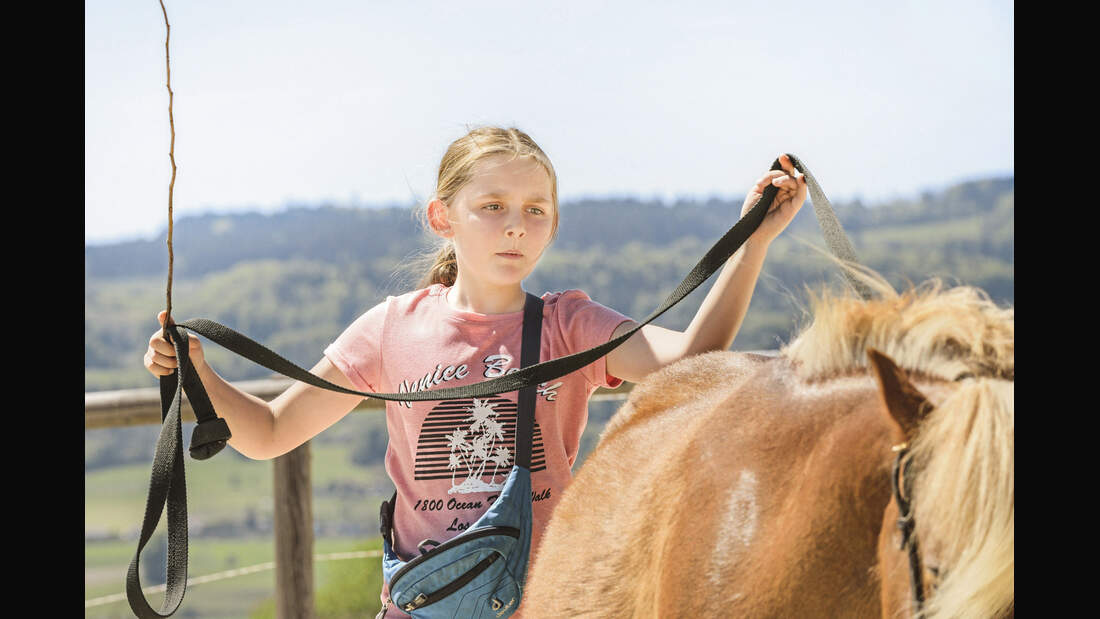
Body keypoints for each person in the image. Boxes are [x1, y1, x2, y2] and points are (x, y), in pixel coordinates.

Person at [143, 126, 807, 617]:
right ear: (443, 217)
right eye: (492, 205)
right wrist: (199, 373)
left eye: (534, 209)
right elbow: (268, 432)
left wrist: (752, 242)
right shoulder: (390, 328)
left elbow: (692, 360)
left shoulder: (568, 323)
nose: (515, 225)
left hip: (550, 602)